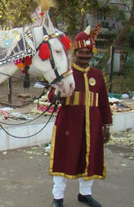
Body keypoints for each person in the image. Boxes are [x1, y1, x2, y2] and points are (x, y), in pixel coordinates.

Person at [48, 25, 112, 207]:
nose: (84, 56)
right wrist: (58, 92)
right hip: (68, 125)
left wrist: (106, 125)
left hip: (92, 126)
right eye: (81, 52)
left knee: (90, 158)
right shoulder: (66, 74)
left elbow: (104, 103)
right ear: (75, 53)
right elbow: (52, 97)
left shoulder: (97, 75)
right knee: (63, 158)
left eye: (87, 52)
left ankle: (85, 194)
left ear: (92, 53)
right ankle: (58, 197)